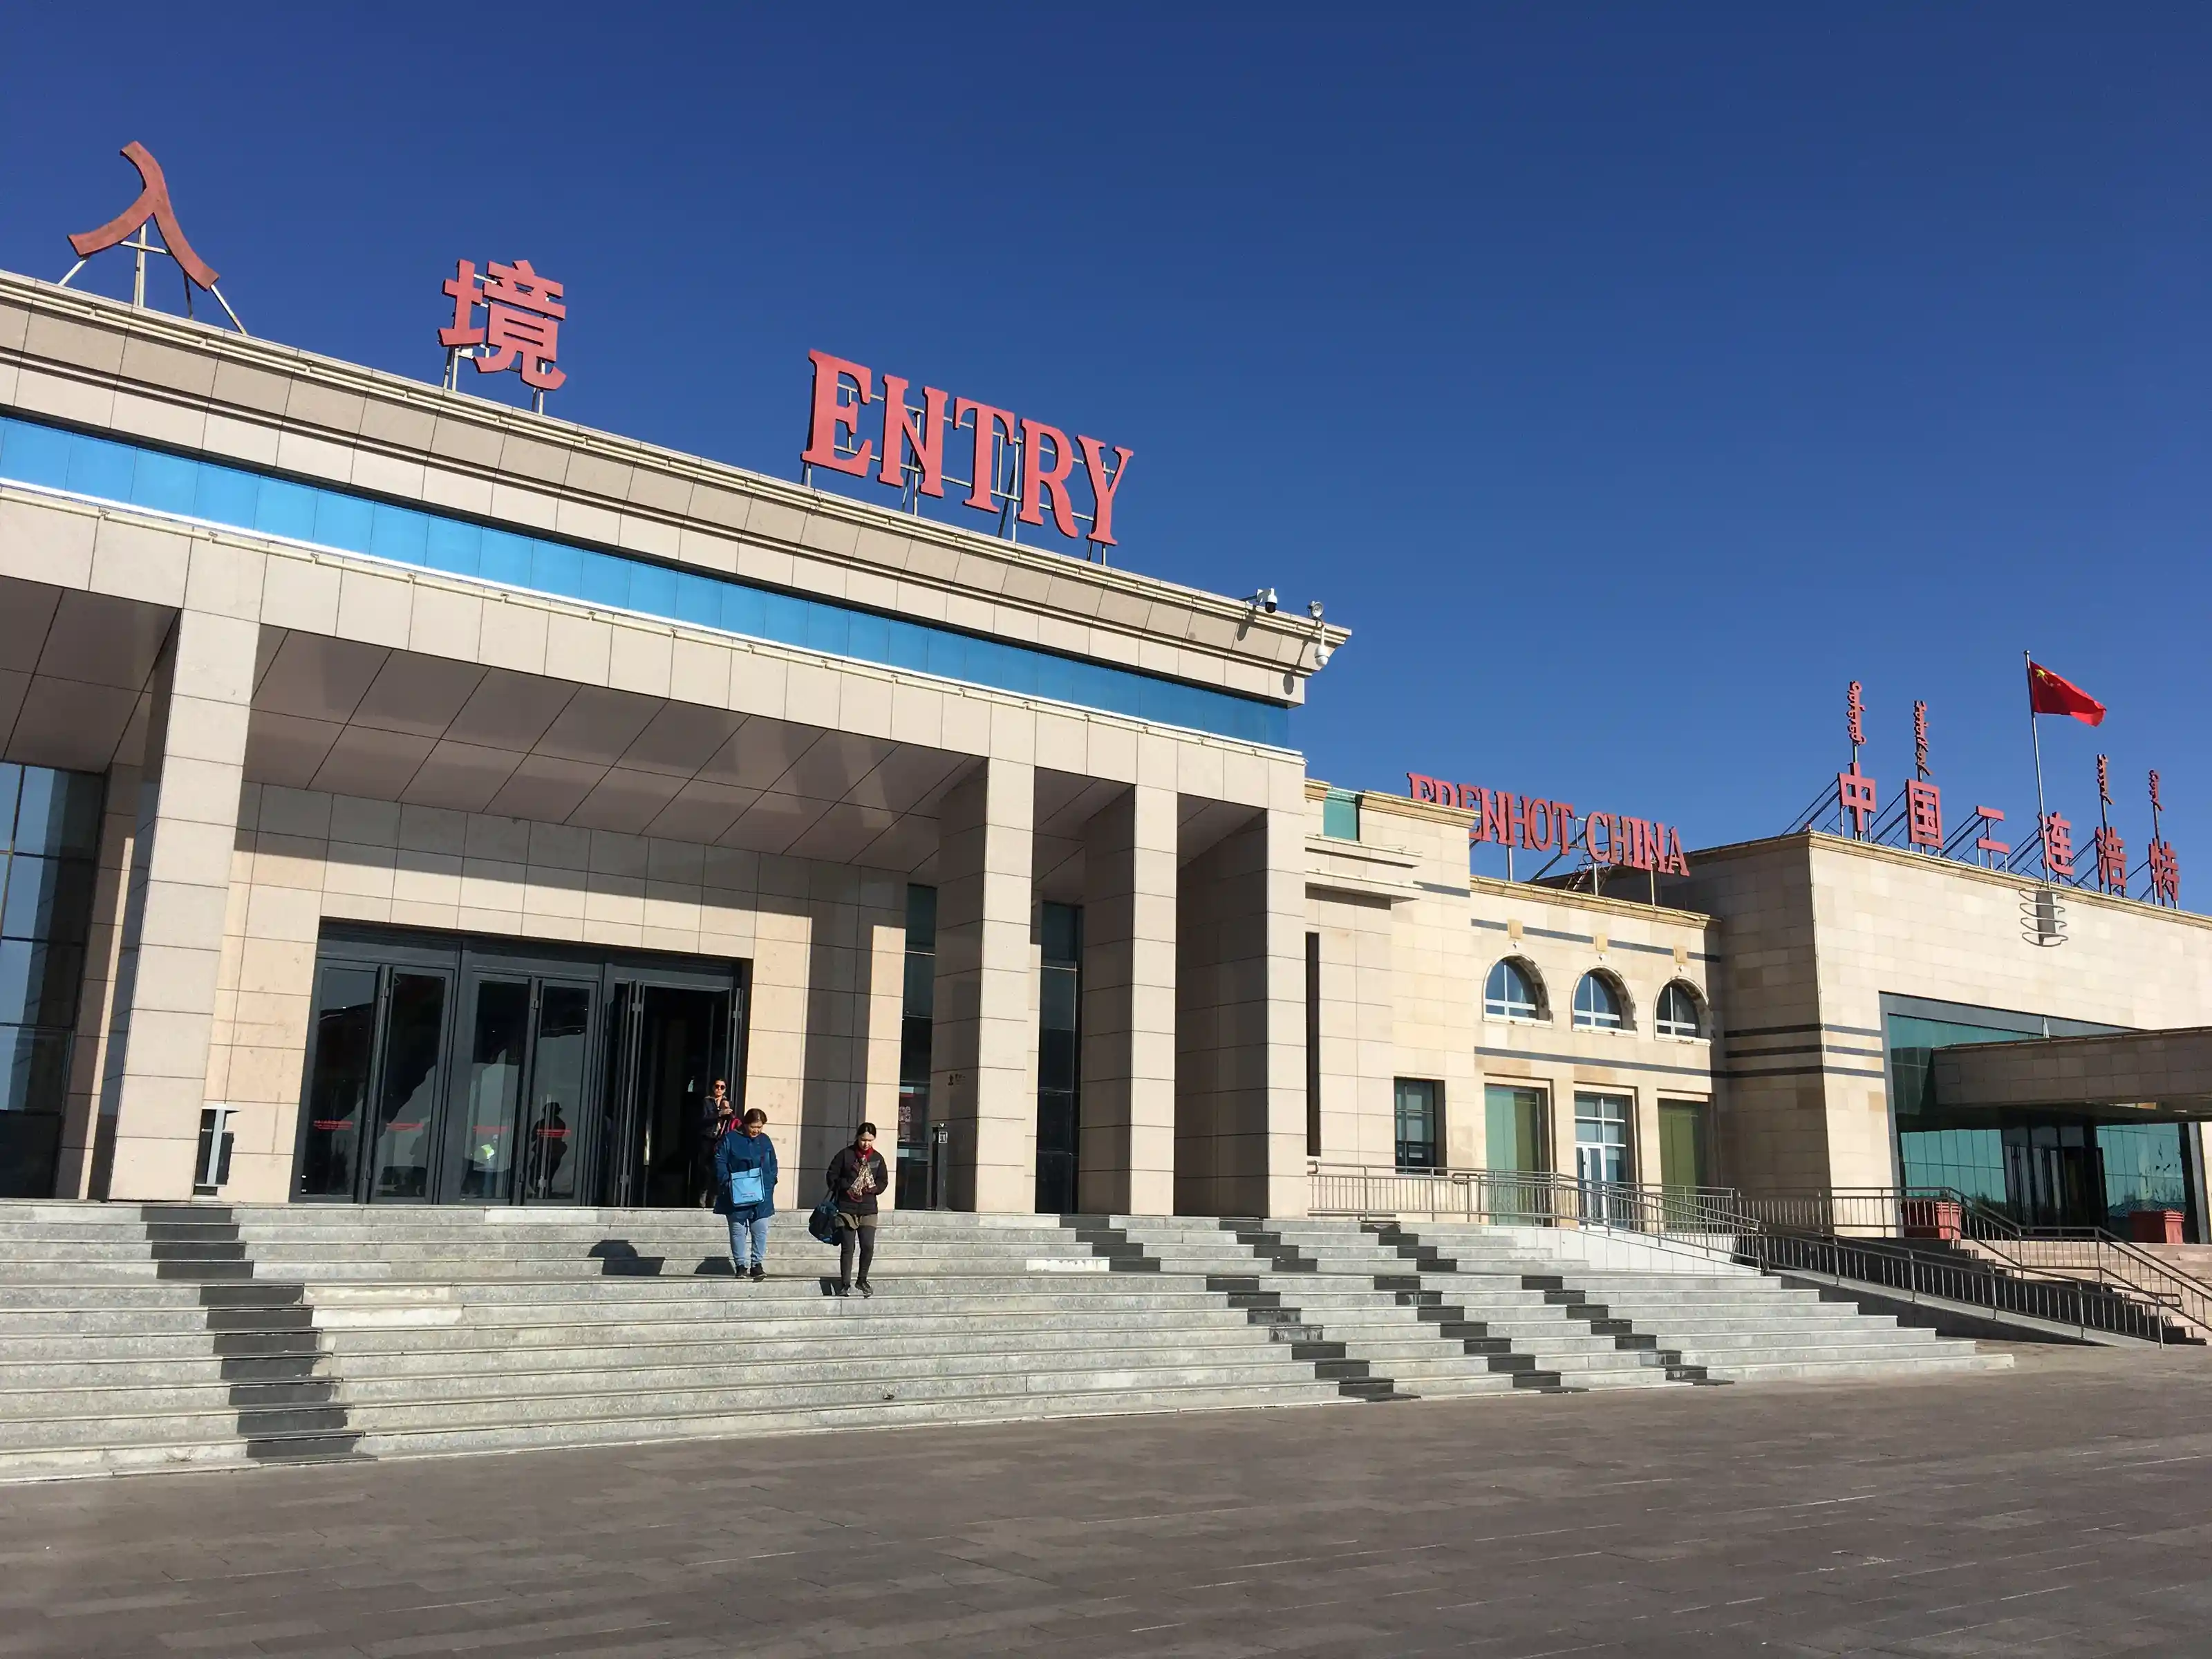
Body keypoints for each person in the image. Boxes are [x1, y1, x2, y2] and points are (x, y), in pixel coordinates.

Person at [825, 1123, 889, 1298]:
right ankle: (845, 1284)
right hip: (846, 1207)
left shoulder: (877, 1158)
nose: (866, 1144)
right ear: (857, 1138)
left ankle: (862, 1279)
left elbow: (883, 1180)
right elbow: (832, 1176)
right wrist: (847, 1186)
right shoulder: (845, 1155)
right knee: (848, 1247)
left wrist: (874, 1189)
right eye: (863, 1139)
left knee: (867, 1246)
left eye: (870, 1140)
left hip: (868, 1208)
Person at [714, 1107, 777, 1282]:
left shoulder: (765, 1141)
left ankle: (757, 1264)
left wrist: (771, 1181)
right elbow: (720, 1160)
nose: (756, 1131)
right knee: (738, 1231)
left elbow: (773, 1163)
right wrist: (727, 1181)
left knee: (760, 1230)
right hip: (737, 1193)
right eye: (753, 1127)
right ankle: (741, 1265)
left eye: (760, 1127)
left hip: (761, 1194)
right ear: (745, 1124)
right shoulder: (731, 1139)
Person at [695, 1079, 735, 1207]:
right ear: (713, 1087)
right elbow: (703, 1118)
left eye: (722, 1087)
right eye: (717, 1086)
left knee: (719, 1168)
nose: (719, 1089)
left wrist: (728, 1110)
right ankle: (703, 1194)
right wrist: (719, 1113)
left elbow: (734, 1121)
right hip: (708, 1138)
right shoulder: (707, 1101)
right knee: (706, 1168)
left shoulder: (727, 1103)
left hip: (721, 1139)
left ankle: (715, 1197)